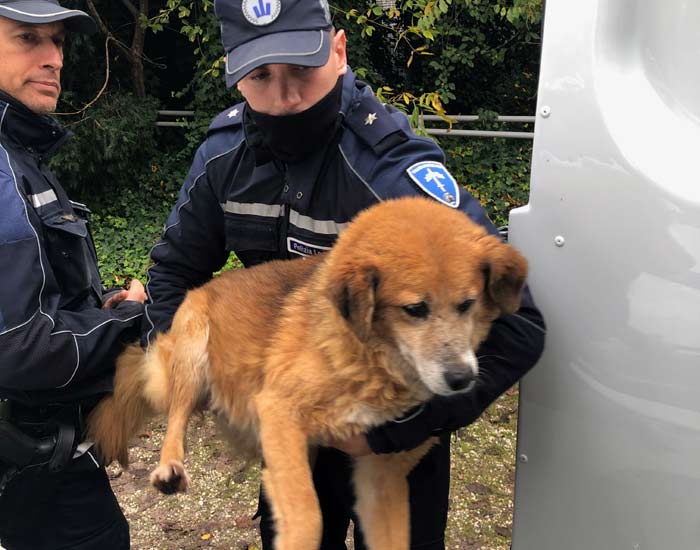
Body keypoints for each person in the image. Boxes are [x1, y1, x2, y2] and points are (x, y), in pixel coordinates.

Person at [144, 1, 546, 548]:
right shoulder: (222, 160)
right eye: (261, 76)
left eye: (302, 71)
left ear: (338, 51)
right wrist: (202, 367)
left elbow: (523, 325)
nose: (284, 99)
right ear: (235, 75)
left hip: (396, 433)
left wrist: (393, 430)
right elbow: (172, 273)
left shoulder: (394, 173)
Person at [0, 1, 148, 548]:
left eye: (57, 42)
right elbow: (18, 344)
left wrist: (97, 310)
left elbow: (32, 301)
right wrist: (133, 323)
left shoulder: (19, 155)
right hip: (34, 462)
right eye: (26, 39)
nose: (53, 58)